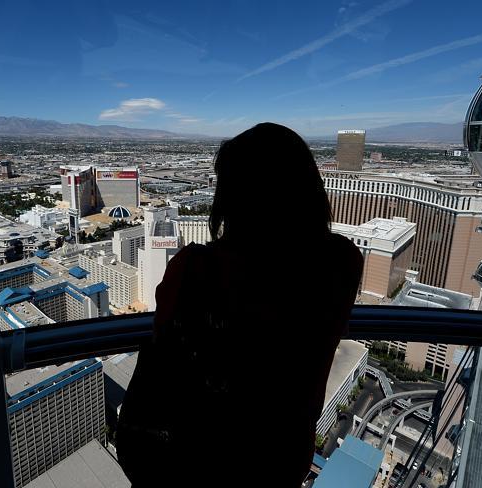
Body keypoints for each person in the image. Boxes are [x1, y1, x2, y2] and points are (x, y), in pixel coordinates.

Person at [117, 122, 363, 487]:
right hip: (279, 461)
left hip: (193, 464)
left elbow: (164, 350)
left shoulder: (194, 268)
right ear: (307, 188)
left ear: (232, 196)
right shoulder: (341, 263)